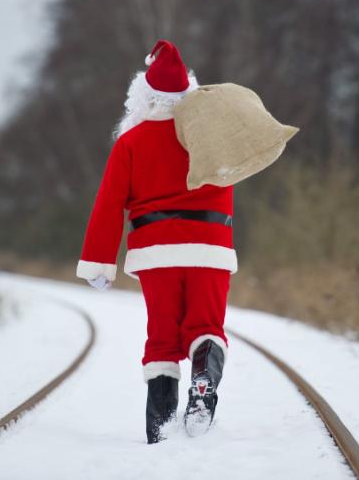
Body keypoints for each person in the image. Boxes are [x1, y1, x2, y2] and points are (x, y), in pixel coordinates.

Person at [76, 39, 234, 444]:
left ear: (143, 98)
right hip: (210, 248)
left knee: (162, 336)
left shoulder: (130, 143)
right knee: (206, 326)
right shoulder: (211, 137)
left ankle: (161, 429)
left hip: (156, 252)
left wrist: (99, 264)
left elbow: (109, 205)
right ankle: (203, 381)